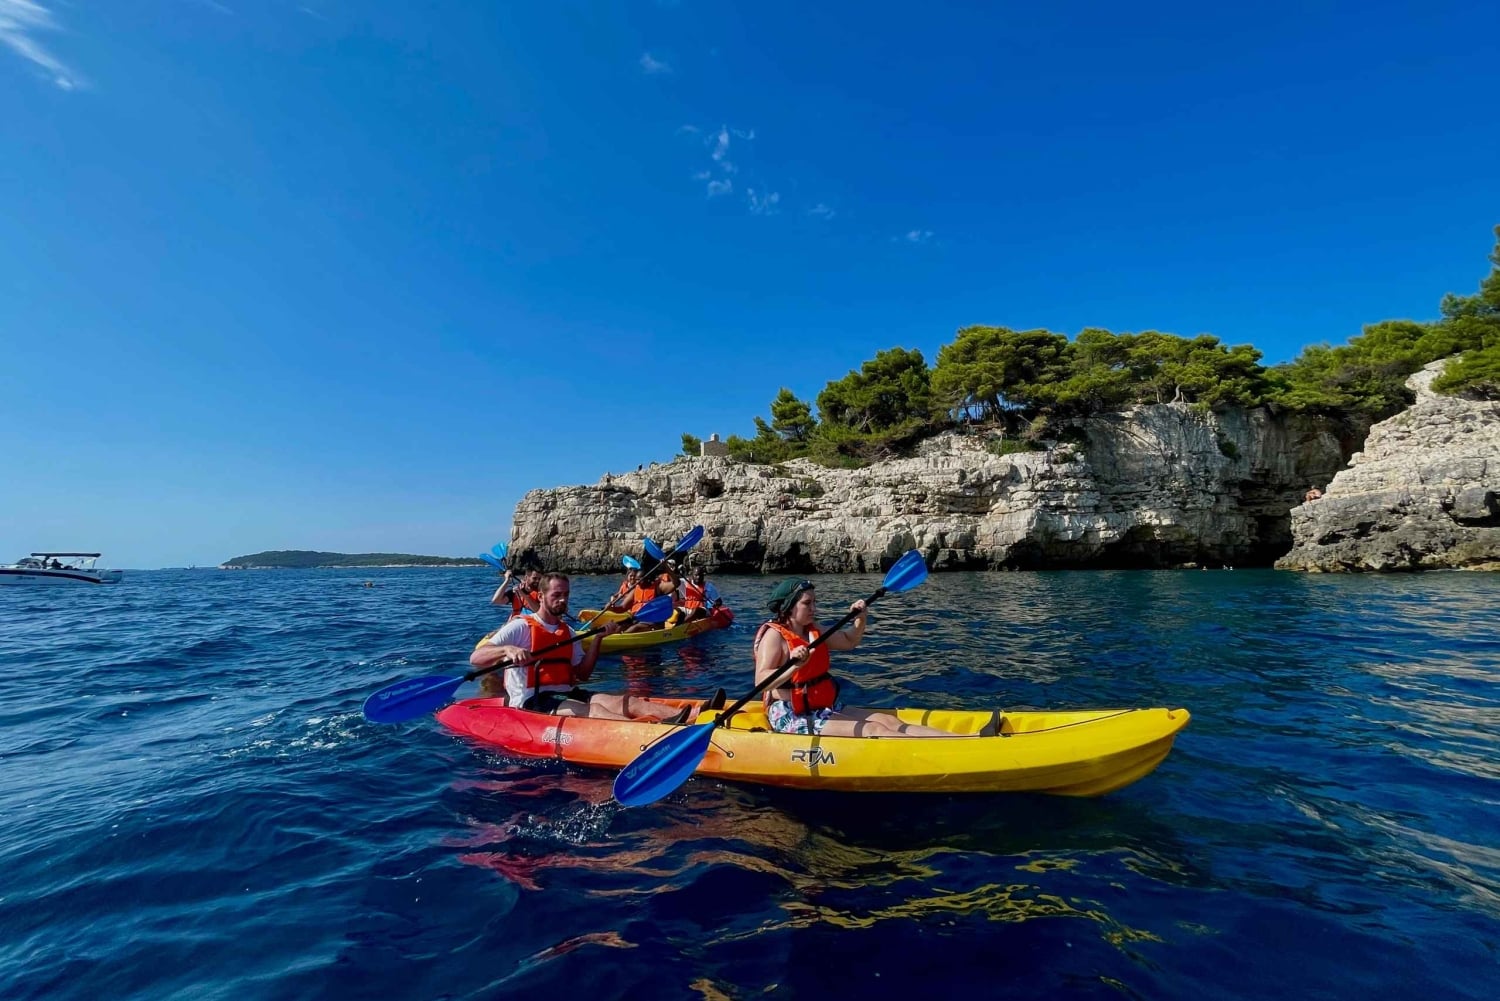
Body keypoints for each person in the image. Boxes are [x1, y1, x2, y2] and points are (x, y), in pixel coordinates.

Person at [752, 578, 963, 738]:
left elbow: (849, 641)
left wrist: (860, 619)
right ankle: (940, 754)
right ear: (789, 606)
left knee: (888, 721)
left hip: (820, 704)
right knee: (874, 729)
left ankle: (961, 741)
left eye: (815, 602)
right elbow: (761, 681)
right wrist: (794, 666)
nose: (814, 608)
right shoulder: (774, 637)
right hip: (790, 713)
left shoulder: (813, 630)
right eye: (807, 603)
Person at [471, 572, 688, 722]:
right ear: (541, 596)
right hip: (532, 700)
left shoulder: (568, 632)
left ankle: (693, 718)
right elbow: (477, 657)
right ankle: (655, 734)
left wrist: (598, 639)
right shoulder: (520, 627)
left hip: (566, 693)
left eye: (566, 595)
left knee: (628, 701)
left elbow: (582, 674)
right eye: (556, 595)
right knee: (594, 710)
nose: (562, 600)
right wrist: (507, 650)